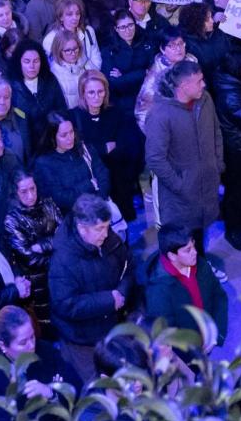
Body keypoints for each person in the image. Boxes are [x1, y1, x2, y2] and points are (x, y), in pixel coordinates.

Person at [48, 193, 134, 385]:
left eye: (107, 226)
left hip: (111, 327)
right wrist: (109, 300)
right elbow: (65, 304)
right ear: (82, 228)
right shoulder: (63, 260)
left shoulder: (107, 238)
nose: (106, 233)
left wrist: (122, 293)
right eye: (99, 229)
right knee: (98, 390)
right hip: (82, 339)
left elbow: (129, 267)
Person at [143, 59, 224, 242]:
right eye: (199, 81)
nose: (204, 84)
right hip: (180, 194)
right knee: (182, 240)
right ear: (184, 86)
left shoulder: (205, 99)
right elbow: (155, 159)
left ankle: (201, 266)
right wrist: (180, 184)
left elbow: (216, 131)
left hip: (206, 182)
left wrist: (217, 164)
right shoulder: (160, 114)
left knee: (200, 232)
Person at [143, 224, 229, 348]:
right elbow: (167, 332)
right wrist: (193, 350)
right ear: (172, 256)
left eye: (193, 245)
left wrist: (217, 334)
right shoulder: (158, 291)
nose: (195, 252)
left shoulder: (201, 264)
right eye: (187, 250)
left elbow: (219, 296)